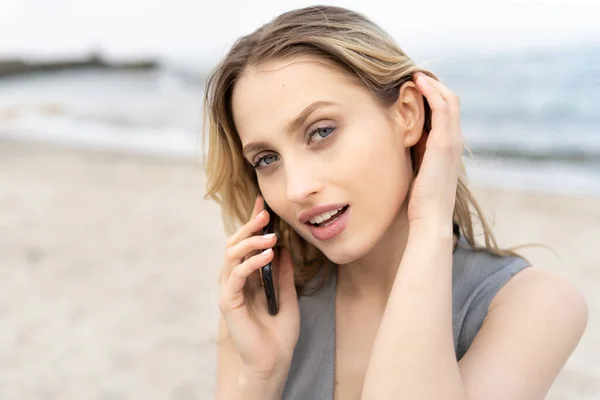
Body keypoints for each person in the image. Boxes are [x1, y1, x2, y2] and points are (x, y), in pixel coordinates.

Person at [203, 5, 588, 400]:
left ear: (407, 113)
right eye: (266, 159)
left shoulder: (531, 304)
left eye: (321, 131)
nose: (297, 188)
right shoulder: (262, 310)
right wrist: (261, 377)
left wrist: (431, 220)